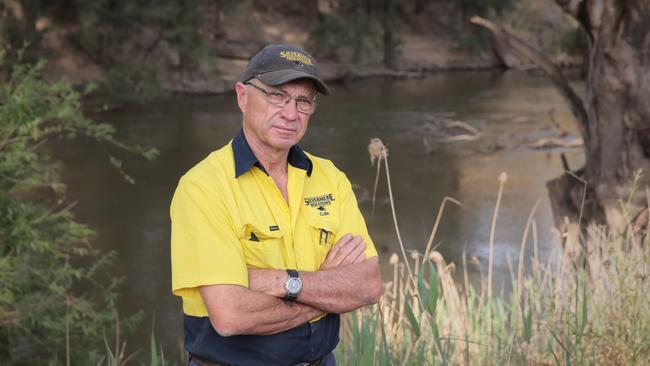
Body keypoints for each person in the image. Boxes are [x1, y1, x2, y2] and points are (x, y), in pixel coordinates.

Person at [170, 44, 383, 366]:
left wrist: (282, 282)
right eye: (276, 96)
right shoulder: (203, 187)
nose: (290, 113)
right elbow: (231, 316)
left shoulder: (329, 177)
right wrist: (329, 290)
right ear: (243, 96)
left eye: (303, 102)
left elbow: (368, 285)